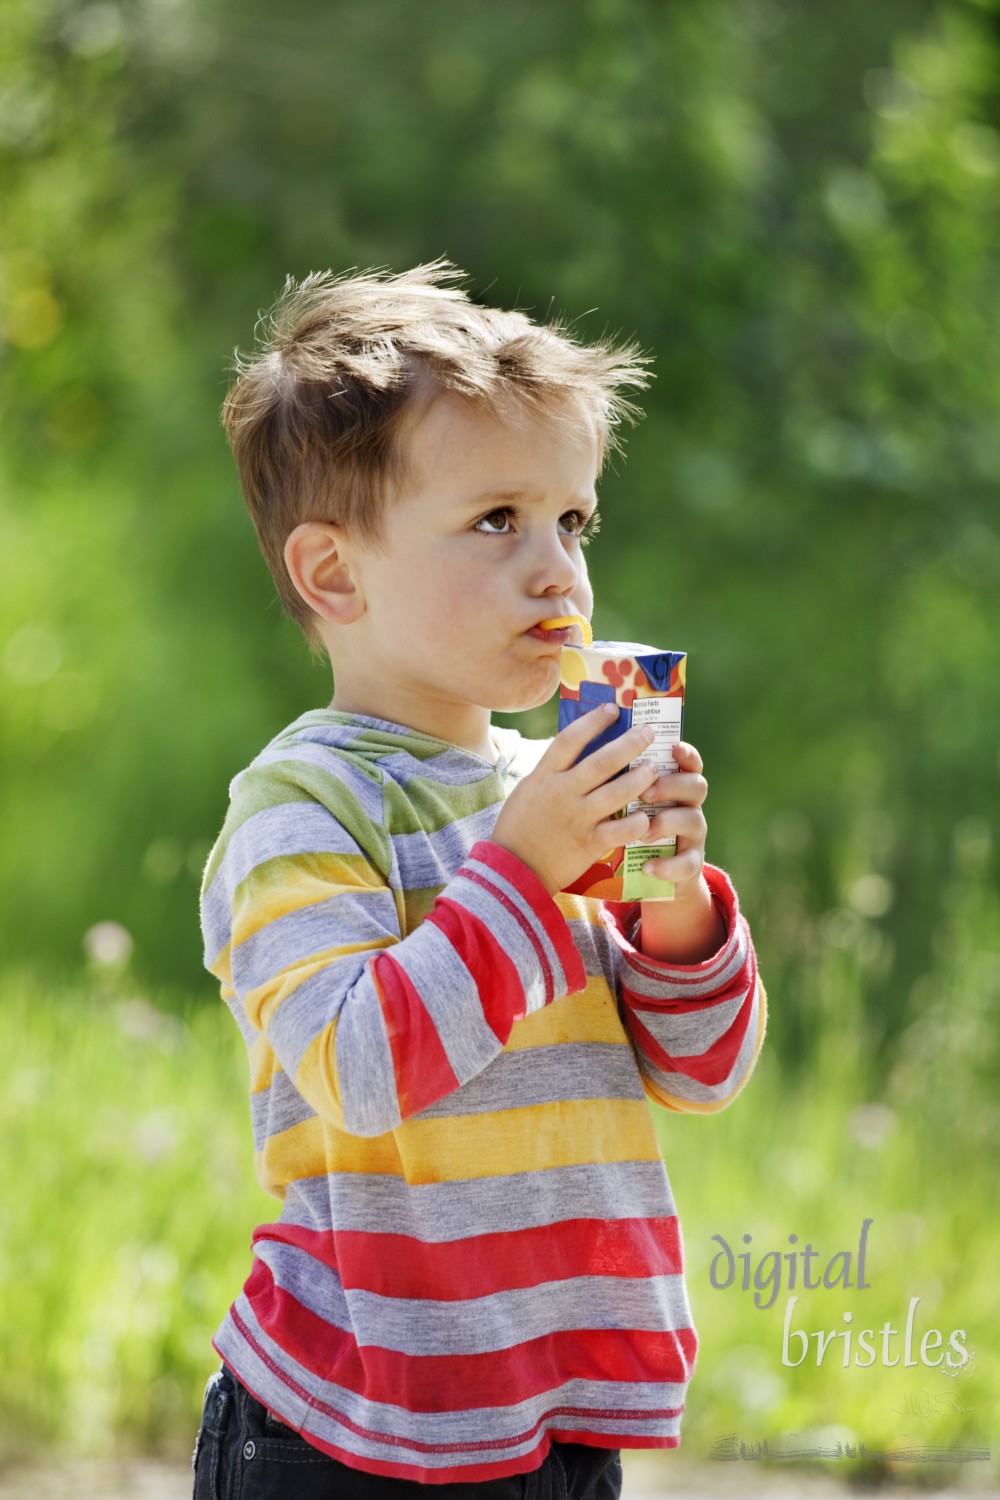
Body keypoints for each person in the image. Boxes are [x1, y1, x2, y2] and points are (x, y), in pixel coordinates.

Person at [193, 261, 765, 1500]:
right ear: (334, 575)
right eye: (497, 520)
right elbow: (360, 1068)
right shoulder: (303, 810)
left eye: (574, 520)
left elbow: (702, 1074)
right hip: (353, 1416)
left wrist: (673, 906)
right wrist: (522, 866)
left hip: (551, 1404)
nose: (558, 569)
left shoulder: (546, 791)